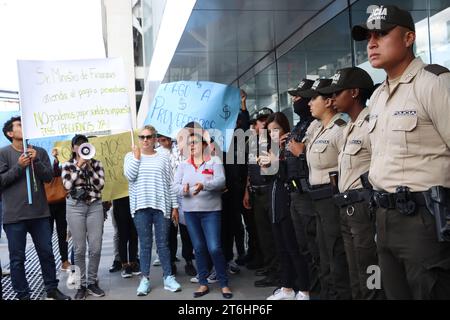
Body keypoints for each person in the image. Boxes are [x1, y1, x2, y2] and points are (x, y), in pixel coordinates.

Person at [352, 5, 450, 299]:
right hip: (384, 217)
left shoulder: (433, 83)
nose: (372, 43)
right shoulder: (380, 96)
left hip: (423, 221)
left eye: (381, 34)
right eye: (369, 36)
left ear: (409, 38)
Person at [318, 67, 383, 300]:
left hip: (364, 210)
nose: (333, 98)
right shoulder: (350, 127)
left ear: (354, 92)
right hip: (347, 209)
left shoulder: (369, 125)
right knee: (354, 272)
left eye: (338, 92)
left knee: (370, 271)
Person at [0, 116, 70, 300]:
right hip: (15, 217)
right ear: (10, 133)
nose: (24, 127)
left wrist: (36, 161)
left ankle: (52, 289)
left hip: (39, 214)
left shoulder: (38, 152)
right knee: (17, 260)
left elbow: (48, 177)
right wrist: (19, 166)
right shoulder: (3, 153)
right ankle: (23, 295)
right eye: (19, 125)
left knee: (46, 253)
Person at [302, 79, 352, 300]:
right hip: (317, 199)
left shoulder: (340, 128)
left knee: (336, 254)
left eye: (315, 98)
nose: (310, 103)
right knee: (322, 254)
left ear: (329, 101)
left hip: (332, 198)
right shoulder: (316, 128)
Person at [174, 130, 233, 299]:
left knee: (214, 247)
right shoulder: (183, 164)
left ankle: (223, 283)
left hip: (211, 212)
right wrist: (183, 189)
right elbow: (175, 186)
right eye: (189, 143)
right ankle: (203, 284)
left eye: (195, 142)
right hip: (191, 213)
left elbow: (221, 181)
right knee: (198, 248)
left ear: (205, 145)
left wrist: (204, 185)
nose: (191, 146)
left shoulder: (214, 161)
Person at [258, 112, 311, 300]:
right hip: (273, 203)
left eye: (276, 130)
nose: (273, 134)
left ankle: (304, 290)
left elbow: (290, 174)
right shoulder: (272, 149)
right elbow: (266, 177)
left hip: (289, 203)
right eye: (269, 131)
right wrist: (266, 164)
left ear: (285, 129)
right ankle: (286, 288)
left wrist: (276, 160)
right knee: (280, 248)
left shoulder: (291, 146)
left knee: (293, 248)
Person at [124, 125, 181, 296]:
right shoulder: (130, 156)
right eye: (142, 137)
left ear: (155, 139)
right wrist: (136, 158)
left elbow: (171, 183)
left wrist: (175, 206)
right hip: (140, 207)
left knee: (163, 244)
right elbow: (130, 176)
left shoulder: (163, 156)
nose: (145, 140)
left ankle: (168, 277)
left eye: (149, 137)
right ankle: (144, 279)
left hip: (161, 206)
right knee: (145, 244)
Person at [286, 79, 322, 299]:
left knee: (317, 248)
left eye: (299, 97)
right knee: (303, 246)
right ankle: (309, 288)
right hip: (296, 192)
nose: (295, 101)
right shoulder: (301, 125)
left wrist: (302, 151)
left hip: (310, 194)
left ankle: (315, 290)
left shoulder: (316, 124)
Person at [62, 134, 106, 300]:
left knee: (96, 246)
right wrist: (79, 167)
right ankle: (80, 285)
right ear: (73, 148)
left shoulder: (96, 164)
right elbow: (66, 185)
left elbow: (100, 184)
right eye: (78, 145)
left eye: (84, 144)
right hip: (75, 207)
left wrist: (89, 168)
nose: (81, 147)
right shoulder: (67, 165)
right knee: (79, 249)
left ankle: (92, 282)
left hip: (94, 205)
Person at [243, 107, 281, 288]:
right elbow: (250, 170)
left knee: (274, 235)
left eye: (266, 120)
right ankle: (270, 267)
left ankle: (277, 273)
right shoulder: (253, 142)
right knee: (263, 235)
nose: (263, 123)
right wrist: (247, 191)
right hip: (256, 192)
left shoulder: (275, 141)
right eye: (260, 120)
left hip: (270, 190)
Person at [157, 133, 197, 277]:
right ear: (158, 140)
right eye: (162, 140)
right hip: (167, 196)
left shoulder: (180, 148)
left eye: (167, 139)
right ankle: (171, 262)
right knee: (169, 232)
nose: (166, 142)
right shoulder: (158, 153)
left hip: (183, 193)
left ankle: (188, 260)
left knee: (186, 231)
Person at [48, 148, 71, 272]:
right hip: (46, 204)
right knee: (47, 235)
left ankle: (64, 260)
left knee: (62, 233)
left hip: (61, 203)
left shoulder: (63, 164)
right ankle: (49, 261)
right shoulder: (36, 156)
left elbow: (57, 172)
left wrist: (56, 160)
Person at [113, 196, 140, 278]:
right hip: (119, 201)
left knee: (134, 234)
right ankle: (125, 265)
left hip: (134, 200)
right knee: (122, 235)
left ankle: (133, 263)